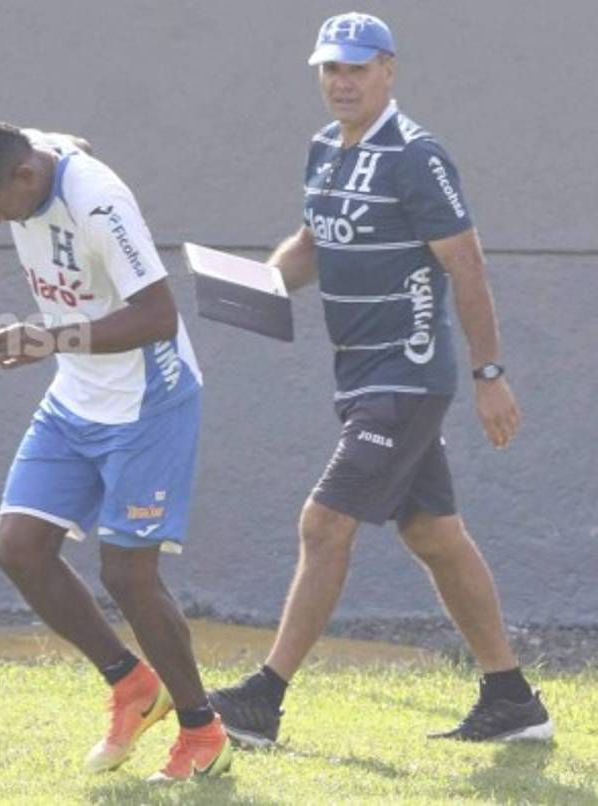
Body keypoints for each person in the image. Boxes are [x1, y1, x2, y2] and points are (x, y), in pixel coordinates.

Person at [208, 12, 553, 746]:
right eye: (331, 68)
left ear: (388, 71)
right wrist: (253, 288)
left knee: (324, 523)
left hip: (408, 374)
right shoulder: (324, 150)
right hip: (360, 375)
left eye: (357, 68)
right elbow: (312, 244)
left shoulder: (416, 155)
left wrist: (490, 374)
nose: (342, 81)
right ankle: (513, 701)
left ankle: (262, 700)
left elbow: (466, 263)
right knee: (433, 533)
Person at [0, 121, 231, 781]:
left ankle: (202, 731)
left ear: (25, 176)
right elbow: (67, 140)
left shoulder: (100, 204)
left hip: (147, 405)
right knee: (18, 548)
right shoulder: (31, 151)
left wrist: (46, 339)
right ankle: (132, 685)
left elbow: (158, 316)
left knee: (128, 576)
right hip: (75, 398)